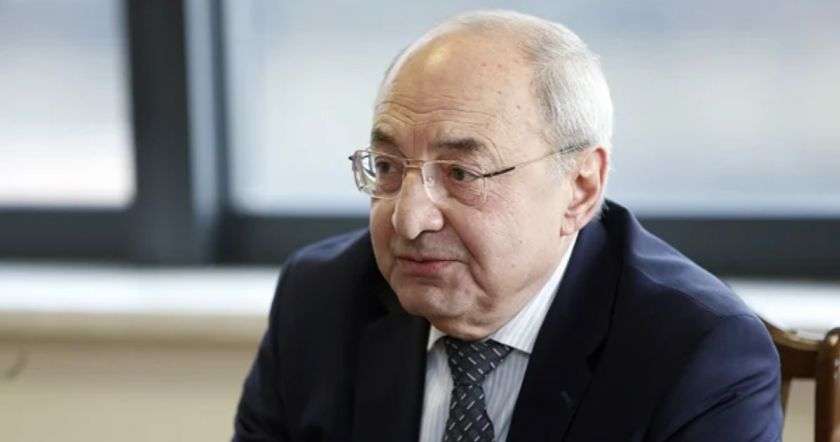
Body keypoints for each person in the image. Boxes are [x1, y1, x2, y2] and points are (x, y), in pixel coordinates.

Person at [233, 10, 782, 442]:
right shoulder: (320, 299)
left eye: (461, 173)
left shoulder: (699, 352)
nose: (409, 218)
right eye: (388, 167)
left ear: (580, 188)